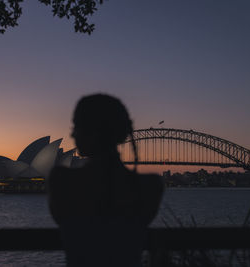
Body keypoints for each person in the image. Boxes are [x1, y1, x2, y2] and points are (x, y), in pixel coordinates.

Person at [48, 93, 164, 267]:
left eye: (77, 126)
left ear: (93, 133)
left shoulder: (61, 181)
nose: (73, 135)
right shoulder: (151, 186)